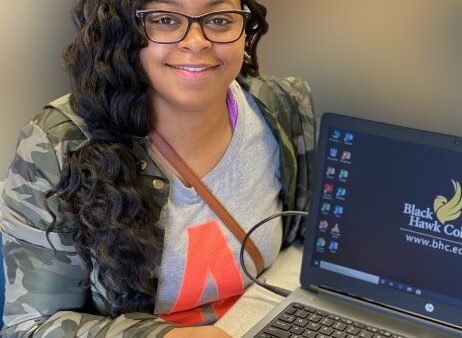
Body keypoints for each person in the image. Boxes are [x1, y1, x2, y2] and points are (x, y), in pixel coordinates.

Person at [0, 0, 315, 337]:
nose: (197, 41)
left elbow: (301, 247)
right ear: (123, 28)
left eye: (220, 19)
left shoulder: (282, 108)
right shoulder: (57, 145)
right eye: (165, 19)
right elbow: (29, 327)